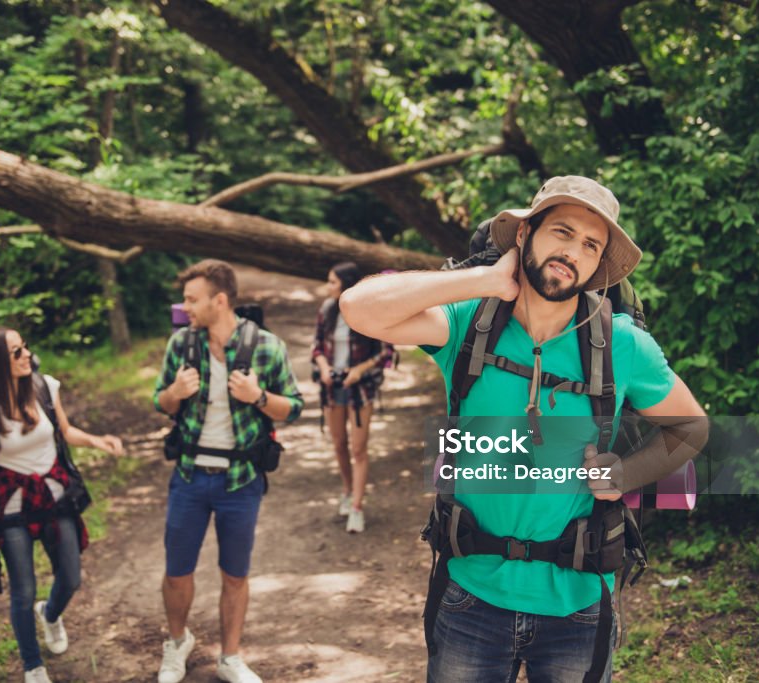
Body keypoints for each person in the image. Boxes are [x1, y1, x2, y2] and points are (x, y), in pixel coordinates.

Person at [340, 176, 708, 682]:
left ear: (598, 265)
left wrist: (626, 472)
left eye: (590, 245)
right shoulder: (468, 324)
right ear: (523, 236)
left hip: (577, 606)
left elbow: (690, 427)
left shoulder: (623, 346)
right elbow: (357, 308)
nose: (572, 251)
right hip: (470, 596)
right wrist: (487, 281)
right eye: (561, 231)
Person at [153, 259, 304, 683]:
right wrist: (173, 394)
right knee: (176, 571)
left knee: (235, 573)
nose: (185, 308)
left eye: (192, 300)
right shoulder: (181, 344)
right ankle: (177, 641)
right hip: (189, 476)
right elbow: (158, 402)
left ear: (220, 301)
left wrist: (258, 397)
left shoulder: (267, 347)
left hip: (241, 481)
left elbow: (293, 407)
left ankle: (230, 657)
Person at [0, 327, 124, 683]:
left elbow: (65, 432)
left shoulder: (44, 387)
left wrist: (98, 441)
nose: (27, 355)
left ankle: (49, 614)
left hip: (55, 497)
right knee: (22, 589)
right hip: (10, 506)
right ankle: (32, 665)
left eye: (25, 348)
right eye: (17, 351)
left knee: (70, 577)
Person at [311, 261, 393, 533]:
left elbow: (386, 353)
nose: (328, 287)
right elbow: (317, 347)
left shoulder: (368, 311)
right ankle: (347, 490)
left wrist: (358, 371)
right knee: (338, 444)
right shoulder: (327, 310)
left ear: (346, 285)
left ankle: (357, 506)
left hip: (361, 390)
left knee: (359, 448)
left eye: (333, 282)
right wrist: (324, 369)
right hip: (332, 387)